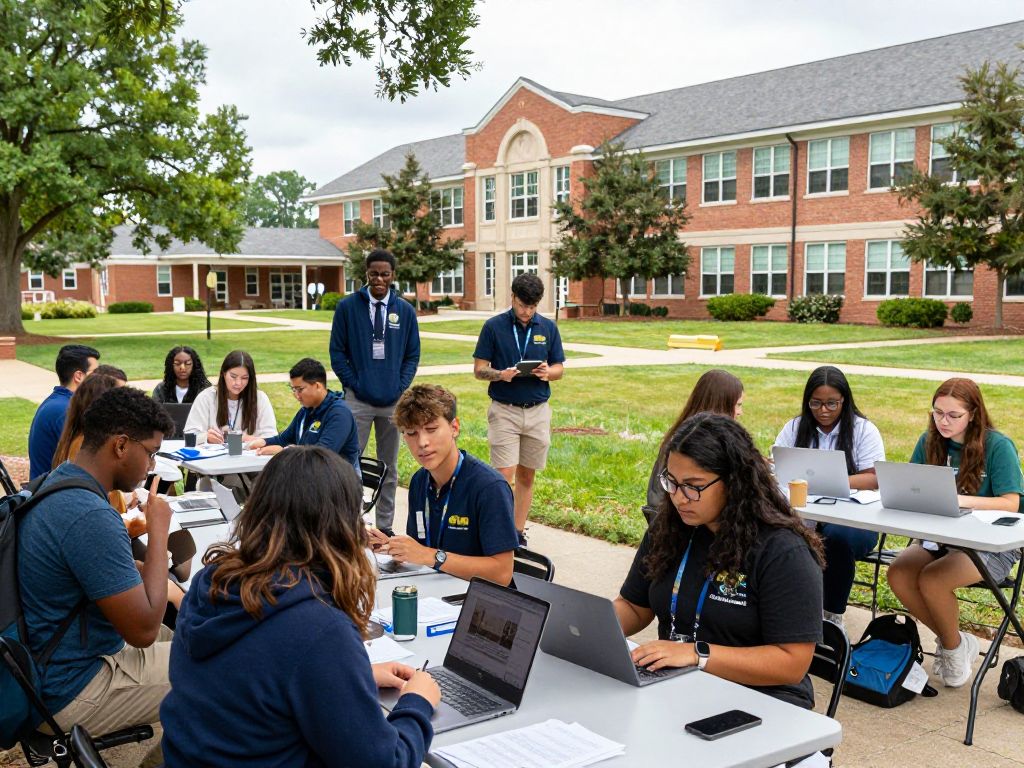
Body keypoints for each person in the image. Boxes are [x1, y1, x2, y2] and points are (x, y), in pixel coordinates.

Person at [159, 447, 439, 767]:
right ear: (342, 527)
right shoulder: (319, 628)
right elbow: (385, 762)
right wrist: (416, 703)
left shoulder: (212, 581)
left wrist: (346, 678)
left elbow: (254, 675)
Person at [614, 413, 825, 709]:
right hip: (680, 686)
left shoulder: (783, 552)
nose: (679, 498)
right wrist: (588, 627)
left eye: (693, 486)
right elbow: (635, 607)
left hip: (763, 700)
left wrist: (696, 655)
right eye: (671, 482)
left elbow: (791, 663)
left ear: (734, 482)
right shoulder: (670, 529)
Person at [17, 388, 177, 767]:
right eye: (151, 453)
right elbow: (142, 631)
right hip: (67, 687)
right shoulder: (89, 514)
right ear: (121, 445)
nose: (152, 465)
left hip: (45, 660)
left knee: (192, 636)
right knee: (219, 670)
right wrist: (159, 531)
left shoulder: (59, 482)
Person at [887, 378, 1024, 689]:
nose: (943, 421)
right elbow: (911, 485)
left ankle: (950, 649)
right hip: (941, 537)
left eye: (953, 415)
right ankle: (957, 642)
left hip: (990, 544)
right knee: (898, 573)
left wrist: (959, 500)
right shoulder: (929, 441)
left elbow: (1011, 502)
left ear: (973, 414)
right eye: (937, 413)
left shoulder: (998, 446)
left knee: (933, 579)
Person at [773, 365, 885, 627]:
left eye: (831, 403)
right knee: (779, 534)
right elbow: (778, 467)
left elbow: (873, 478)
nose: (823, 410)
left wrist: (829, 482)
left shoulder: (863, 430)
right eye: (816, 403)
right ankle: (782, 606)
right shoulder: (795, 428)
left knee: (836, 539)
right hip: (804, 514)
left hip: (854, 520)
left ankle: (831, 616)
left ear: (844, 401)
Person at [377, 384, 519, 586]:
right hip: (433, 590)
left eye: (431, 429)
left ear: (454, 428)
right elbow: (420, 548)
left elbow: (502, 573)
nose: (422, 442)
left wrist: (431, 556)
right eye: (411, 433)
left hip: (476, 598)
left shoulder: (489, 487)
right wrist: (392, 546)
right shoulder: (419, 481)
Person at [330, 249, 420, 536]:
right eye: (374, 274)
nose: (379, 279)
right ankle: (349, 524)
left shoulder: (404, 311)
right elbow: (337, 352)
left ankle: (384, 527)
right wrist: (353, 384)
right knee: (349, 463)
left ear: (393, 275)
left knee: (388, 467)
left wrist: (400, 386)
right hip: (357, 401)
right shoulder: (347, 307)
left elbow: (412, 355)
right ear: (365, 274)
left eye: (385, 274)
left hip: (392, 403)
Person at [473, 272, 565, 545]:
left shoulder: (547, 328)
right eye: (523, 305)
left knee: (527, 474)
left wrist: (548, 372)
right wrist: (501, 375)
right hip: (505, 410)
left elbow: (559, 368)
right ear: (512, 297)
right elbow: (479, 370)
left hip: (538, 411)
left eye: (532, 306)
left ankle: (517, 532)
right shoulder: (493, 327)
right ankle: (497, 533)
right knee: (503, 475)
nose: (527, 312)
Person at [645, 369, 744, 515]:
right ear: (723, 404)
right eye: (738, 405)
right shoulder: (700, 445)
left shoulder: (683, 434)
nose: (740, 412)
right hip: (678, 518)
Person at [248, 358, 361, 472]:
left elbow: (322, 455)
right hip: (308, 473)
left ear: (317, 386)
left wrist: (285, 451)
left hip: (338, 477)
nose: (296, 395)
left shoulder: (339, 413)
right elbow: (284, 439)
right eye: (293, 389)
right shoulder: (306, 410)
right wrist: (264, 442)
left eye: (300, 389)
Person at [28, 343, 100, 479]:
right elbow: (85, 464)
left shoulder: (58, 402)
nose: (100, 378)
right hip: (53, 489)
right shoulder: (65, 410)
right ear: (79, 376)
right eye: (95, 373)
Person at [183, 350, 276, 445]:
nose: (238, 383)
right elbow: (189, 435)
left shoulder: (260, 399)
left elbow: (272, 437)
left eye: (244, 378)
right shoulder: (206, 397)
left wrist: (247, 439)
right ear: (223, 374)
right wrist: (205, 437)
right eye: (233, 376)